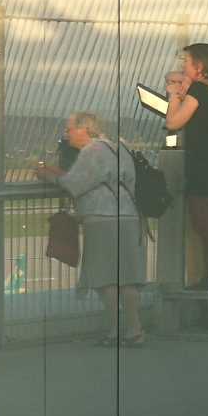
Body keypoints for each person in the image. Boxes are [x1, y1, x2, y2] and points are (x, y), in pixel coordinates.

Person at [35, 111, 147, 348]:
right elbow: (99, 177)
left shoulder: (91, 152)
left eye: (68, 130)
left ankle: (116, 331)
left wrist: (49, 176)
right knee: (126, 277)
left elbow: (74, 184)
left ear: (83, 130)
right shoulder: (120, 146)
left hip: (101, 218)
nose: (66, 136)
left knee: (103, 277)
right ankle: (135, 329)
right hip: (128, 215)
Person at [164, 43, 208, 291]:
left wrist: (173, 94)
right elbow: (172, 75)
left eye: (186, 61)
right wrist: (183, 81)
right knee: (206, 224)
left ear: (198, 66)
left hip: (200, 167)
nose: (182, 65)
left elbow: (173, 122)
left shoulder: (199, 91)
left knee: (203, 224)